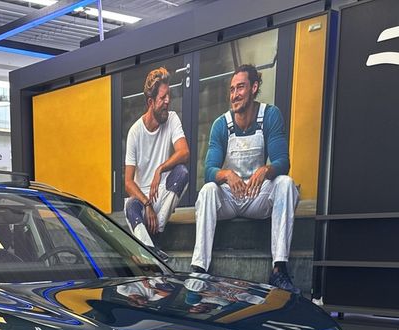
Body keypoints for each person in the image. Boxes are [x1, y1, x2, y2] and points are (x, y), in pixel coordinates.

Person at [191, 65, 300, 294]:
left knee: (286, 184)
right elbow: (209, 170)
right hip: (231, 198)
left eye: (240, 88)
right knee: (208, 190)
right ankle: (199, 269)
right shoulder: (221, 124)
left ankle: (279, 269)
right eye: (232, 89)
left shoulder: (269, 115)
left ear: (254, 87)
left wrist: (266, 170)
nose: (234, 95)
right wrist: (226, 174)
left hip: (257, 196)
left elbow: (283, 162)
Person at [123, 67, 190, 247]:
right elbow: (128, 183)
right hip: (141, 201)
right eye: (163, 97)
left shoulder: (172, 119)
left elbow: (184, 152)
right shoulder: (135, 132)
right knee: (130, 206)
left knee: (182, 172)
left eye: (169, 96)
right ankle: (151, 249)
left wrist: (160, 169)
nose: (168, 101)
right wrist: (146, 204)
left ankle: (157, 232)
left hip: (161, 196)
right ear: (150, 102)